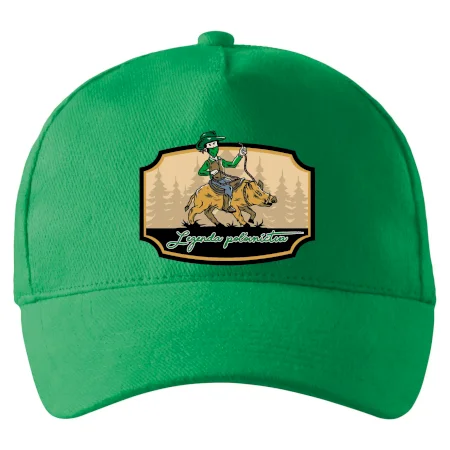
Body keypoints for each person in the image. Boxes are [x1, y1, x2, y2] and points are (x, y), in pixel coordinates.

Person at [195, 131, 247, 213]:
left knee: (238, 182)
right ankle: (226, 206)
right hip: (215, 181)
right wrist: (210, 173)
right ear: (206, 149)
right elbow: (200, 172)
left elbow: (232, 164)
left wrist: (240, 155)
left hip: (224, 178)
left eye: (214, 144)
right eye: (210, 145)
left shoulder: (221, 160)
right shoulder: (208, 162)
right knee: (228, 188)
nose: (213, 147)